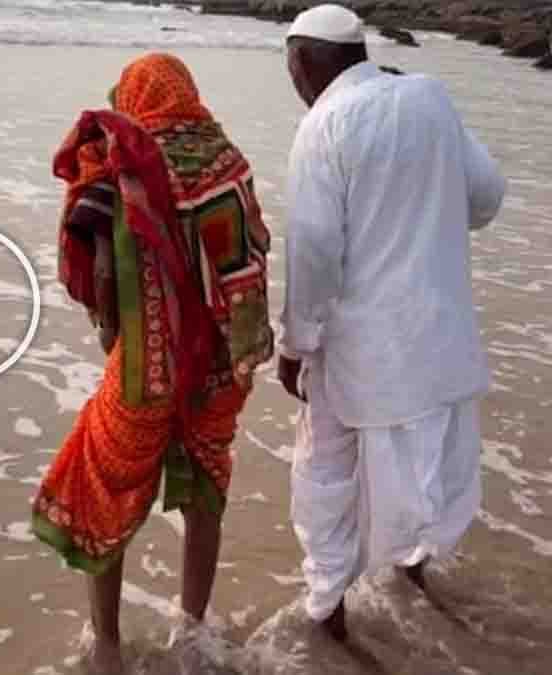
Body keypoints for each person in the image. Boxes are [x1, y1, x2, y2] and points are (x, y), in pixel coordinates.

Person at [31, 53, 274, 673]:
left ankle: (107, 646)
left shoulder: (122, 163)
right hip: (218, 367)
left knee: (106, 487)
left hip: (147, 365)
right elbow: (249, 260)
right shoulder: (228, 161)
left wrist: (112, 326)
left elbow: (91, 275)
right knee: (206, 492)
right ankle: (191, 633)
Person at [278, 5, 507, 641]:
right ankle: (415, 575)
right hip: (442, 345)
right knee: (431, 473)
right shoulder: (429, 97)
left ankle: (328, 614)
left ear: (303, 62)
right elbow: (486, 197)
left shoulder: (322, 126)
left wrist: (295, 345)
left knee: (326, 478)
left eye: (291, 67)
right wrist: (422, 211)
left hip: (366, 359)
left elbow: (315, 256)